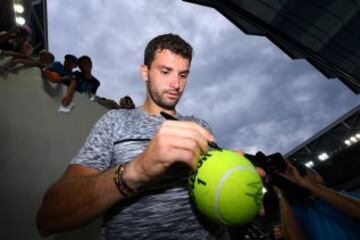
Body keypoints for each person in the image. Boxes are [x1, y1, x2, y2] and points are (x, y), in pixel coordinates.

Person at [36, 33, 264, 239]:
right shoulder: (115, 122)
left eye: (183, 75)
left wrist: (240, 189)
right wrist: (137, 170)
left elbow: (218, 191)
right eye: (165, 72)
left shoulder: (198, 125)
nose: (176, 84)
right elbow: (48, 218)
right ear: (145, 72)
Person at [275, 162, 360, 240]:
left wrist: (305, 183)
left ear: (319, 178)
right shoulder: (298, 211)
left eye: (303, 173)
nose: (295, 177)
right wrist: (281, 194)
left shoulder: (341, 197)